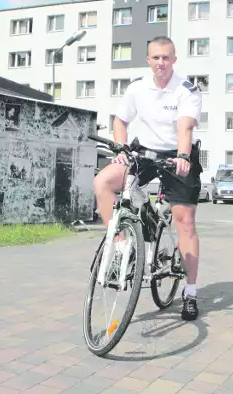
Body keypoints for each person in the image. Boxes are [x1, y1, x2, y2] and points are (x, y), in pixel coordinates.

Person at [93, 36, 203, 321]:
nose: (161, 63)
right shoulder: (137, 88)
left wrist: (182, 155)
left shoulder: (186, 90)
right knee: (103, 182)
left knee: (185, 222)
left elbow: (185, 128)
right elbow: (120, 120)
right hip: (144, 154)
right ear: (148, 60)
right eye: (156, 58)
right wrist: (121, 147)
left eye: (166, 57)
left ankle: (190, 292)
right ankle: (120, 251)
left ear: (174, 60)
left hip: (178, 157)